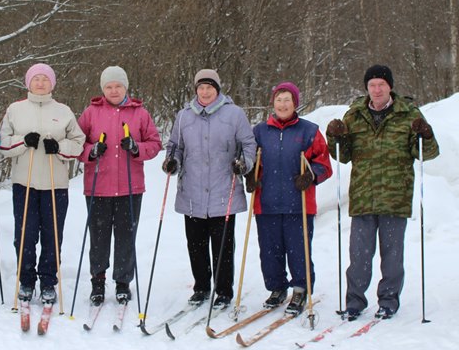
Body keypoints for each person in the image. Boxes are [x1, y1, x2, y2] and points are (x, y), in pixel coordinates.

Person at [326, 65, 439, 320]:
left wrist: (426, 134)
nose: (377, 90)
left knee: (392, 256)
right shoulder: (354, 115)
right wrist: (334, 137)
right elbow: (343, 156)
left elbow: (428, 153)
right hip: (363, 195)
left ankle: (388, 300)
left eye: (381, 85)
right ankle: (355, 301)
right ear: (366, 88)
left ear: (390, 87)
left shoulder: (409, 114)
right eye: (372, 85)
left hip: (395, 197)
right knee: (359, 257)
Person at [162, 68, 256, 309]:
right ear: (196, 90)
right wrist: (172, 161)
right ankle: (201, 287)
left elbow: (248, 144)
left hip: (223, 190)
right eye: (201, 88)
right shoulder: (184, 116)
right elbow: (175, 145)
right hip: (192, 191)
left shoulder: (234, 114)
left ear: (217, 89)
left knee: (223, 245)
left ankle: (223, 290)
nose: (205, 92)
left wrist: (244, 163)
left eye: (209, 87)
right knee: (196, 244)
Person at [0, 64, 85, 303]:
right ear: (28, 83)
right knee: (25, 235)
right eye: (35, 79)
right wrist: (23, 141)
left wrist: (60, 148)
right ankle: (26, 281)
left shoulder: (63, 110)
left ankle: (48, 281)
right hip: (24, 183)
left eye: (45, 79)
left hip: (55, 184)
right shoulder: (15, 110)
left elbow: (78, 143)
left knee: (52, 235)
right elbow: (3, 143)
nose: (40, 83)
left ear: (52, 83)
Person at [77, 66, 162, 304]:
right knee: (99, 237)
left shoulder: (140, 113)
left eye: (118, 86)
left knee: (126, 237)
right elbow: (75, 144)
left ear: (126, 87)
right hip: (97, 186)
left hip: (130, 187)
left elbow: (154, 143)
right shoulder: (91, 113)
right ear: (103, 89)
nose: (114, 91)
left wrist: (136, 148)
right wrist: (91, 151)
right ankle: (98, 281)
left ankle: (123, 283)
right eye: (109, 87)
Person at [247, 82, 332, 315]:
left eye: (287, 100)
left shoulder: (309, 130)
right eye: (279, 99)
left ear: (295, 103)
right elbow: (250, 161)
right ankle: (276, 288)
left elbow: (324, 164)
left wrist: (310, 175)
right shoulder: (260, 132)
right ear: (272, 103)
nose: (283, 104)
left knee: (298, 249)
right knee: (269, 250)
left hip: (300, 203)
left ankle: (300, 288)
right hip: (267, 203)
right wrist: (249, 176)